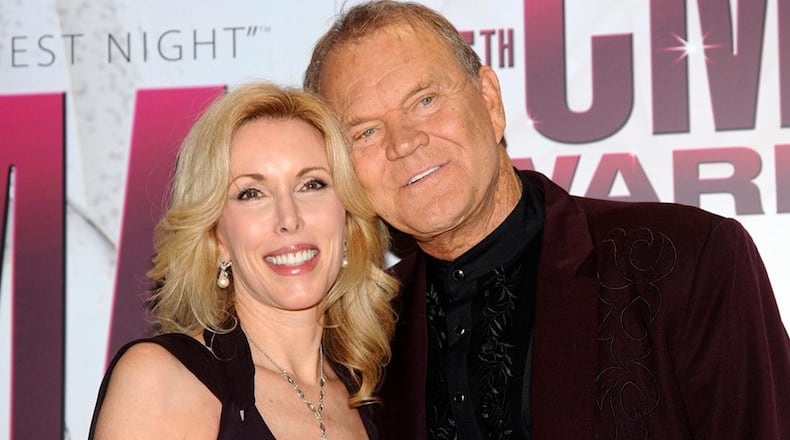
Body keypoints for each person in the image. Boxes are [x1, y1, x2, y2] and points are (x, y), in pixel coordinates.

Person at [304, 1, 790, 438]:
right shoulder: (356, 339)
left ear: (489, 100)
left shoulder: (689, 259)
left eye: (425, 101)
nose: (404, 142)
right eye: (365, 132)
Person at [89, 82, 399, 439]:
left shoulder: (375, 398)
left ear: (346, 219)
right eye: (252, 193)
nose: (289, 218)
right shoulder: (163, 380)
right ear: (216, 237)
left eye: (312, 185)